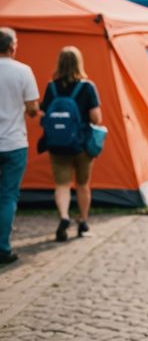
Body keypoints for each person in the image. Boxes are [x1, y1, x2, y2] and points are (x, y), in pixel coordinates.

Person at [39, 47, 101, 242]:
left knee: (62, 184)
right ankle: (83, 222)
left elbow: (43, 114)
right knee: (83, 184)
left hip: (58, 145)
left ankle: (64, 216)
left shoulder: (52, 87)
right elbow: (96, 117)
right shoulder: (87, 87)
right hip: (82, 144)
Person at [0, 28, 40, 265]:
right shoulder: (23, 71)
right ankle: (3, 248)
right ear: (12, 47)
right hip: (14, 142)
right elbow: (32, 108)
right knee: (8, 196)